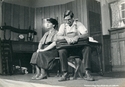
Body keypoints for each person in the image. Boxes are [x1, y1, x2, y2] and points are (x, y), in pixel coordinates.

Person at [57, 10, 94, 81]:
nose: (67, 21)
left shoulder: (78, 24)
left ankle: (87, 73)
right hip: (68, 50)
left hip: (78, 50)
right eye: (65, 20)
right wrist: (65, 37)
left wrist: (77, 37)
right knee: (61, 51)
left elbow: (86, 35)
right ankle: (65, 74)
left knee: (87, 48)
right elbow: (58, 37)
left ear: (73, 18)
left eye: (69, 19)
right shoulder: (63, 26)